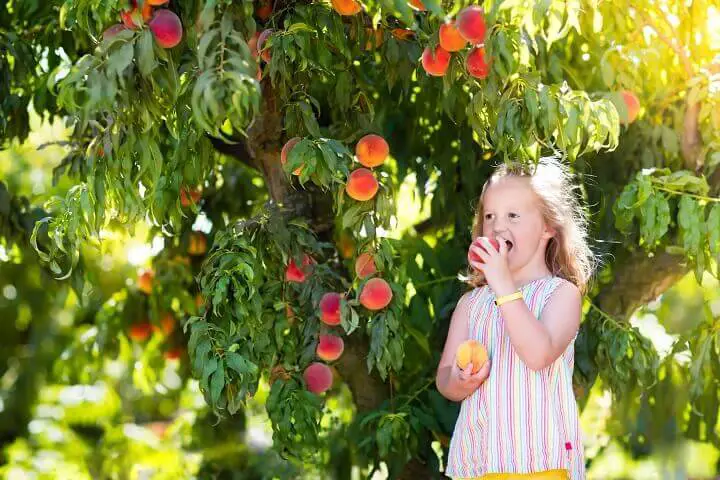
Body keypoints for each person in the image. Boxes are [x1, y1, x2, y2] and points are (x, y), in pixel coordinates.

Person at [436, 156, 596, 480]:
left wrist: (502, 283)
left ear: (548, 227)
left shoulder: (560, 294)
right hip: (479, 465)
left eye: (513, 215)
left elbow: (538, 354)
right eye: (490, 216)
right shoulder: (471, 304)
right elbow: (444, 378)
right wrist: (460, 380)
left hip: (541, 465)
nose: (497, 226)